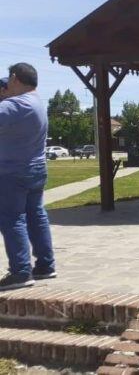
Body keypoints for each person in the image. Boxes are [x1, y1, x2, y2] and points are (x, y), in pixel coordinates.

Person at [0, 64, 56, 290]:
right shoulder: (36, 102)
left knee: (12, 219)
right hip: (36, 168)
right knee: (36, 215)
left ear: (14, 78)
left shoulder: (14, 105)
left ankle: (21, 272)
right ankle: (45, 265)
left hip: (13, 171)